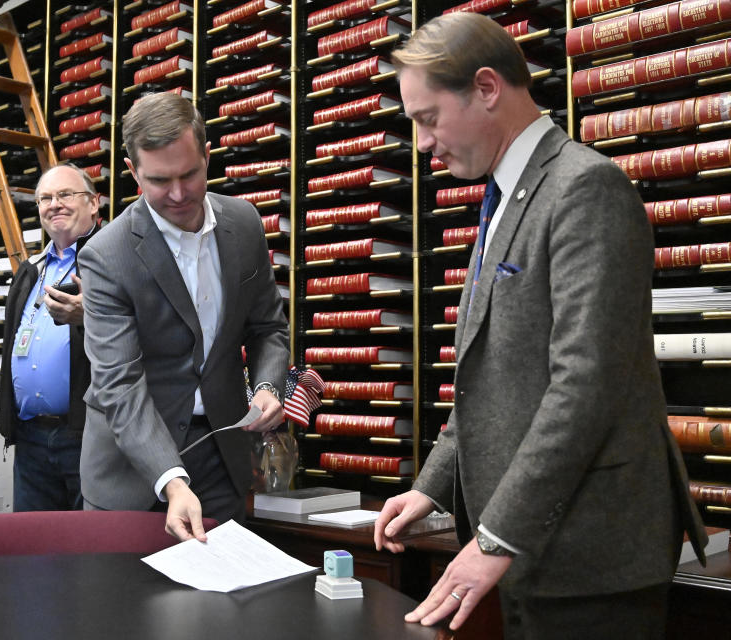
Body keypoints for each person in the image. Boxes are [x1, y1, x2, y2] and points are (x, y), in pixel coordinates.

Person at [372, 13, 707, 639]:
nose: (422, 144)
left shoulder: (584, 188)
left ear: (488, 88)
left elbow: (585, 387)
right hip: (534, 550)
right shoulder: (507, 194)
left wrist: (495, 536)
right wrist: (433, 486)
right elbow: (493, 376)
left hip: (591, 555)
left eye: (427, 118)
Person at [77, 92, 289, 541]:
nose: (177, 194)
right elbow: (118, 385)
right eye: (158, 180)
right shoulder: (106, 256)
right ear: (132, 172)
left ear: (207, 156)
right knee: (122, 606)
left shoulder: (244, 223)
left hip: (220, 455)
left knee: (224, 604)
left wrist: (268, 386)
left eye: (190, 174)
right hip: (129, 475)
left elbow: (269, 327)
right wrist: (172, 479)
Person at [0, 162, 100, 511]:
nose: (54, 204)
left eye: (66, 195)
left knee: (86, 554)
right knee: (32, 554)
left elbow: (145, 334)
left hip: (87, 436)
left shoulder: (113, 262)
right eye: (45, 198)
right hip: (31, 440)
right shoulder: (30, 271)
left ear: (94, 203)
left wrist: (92, 318)